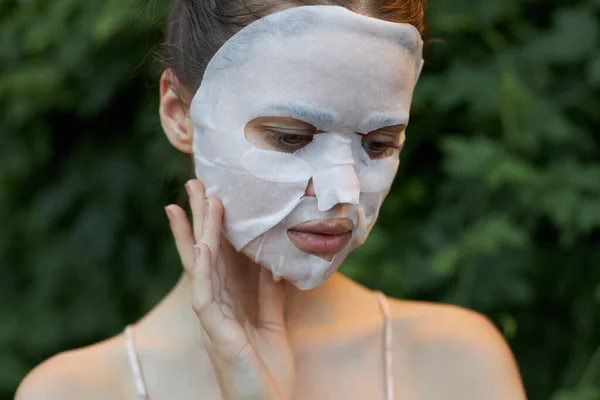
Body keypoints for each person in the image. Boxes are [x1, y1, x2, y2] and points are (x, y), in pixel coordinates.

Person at [15, 0, 527, 399]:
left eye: (379, 145)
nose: (343, 191)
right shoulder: (76, 391)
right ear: (178, 113)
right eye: (290, 138)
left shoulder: (457, 364)